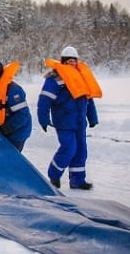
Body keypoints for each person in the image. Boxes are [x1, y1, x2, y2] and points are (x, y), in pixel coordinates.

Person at [37, 46, 102, 190]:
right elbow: (44, 101)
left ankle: (77, 181)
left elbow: (88, 100)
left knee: (81, 151)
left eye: (74, 61)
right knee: (69, 148)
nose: (71, 63)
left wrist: (92, 118)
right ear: (63, 61)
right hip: (64, 122)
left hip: (79, 122)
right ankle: (54, 176)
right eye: (68, 61)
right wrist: (43, 118)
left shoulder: (82, 78)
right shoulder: (54, 80)